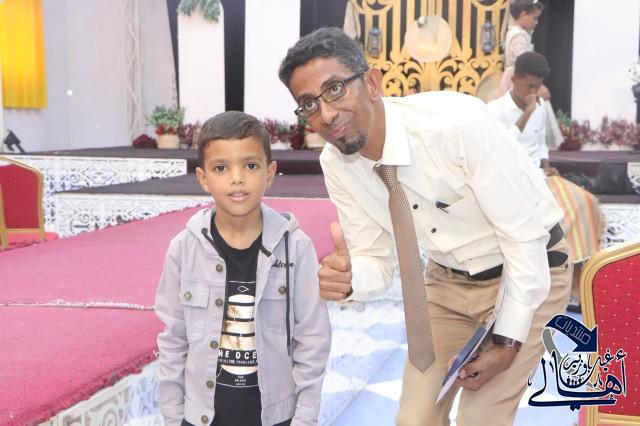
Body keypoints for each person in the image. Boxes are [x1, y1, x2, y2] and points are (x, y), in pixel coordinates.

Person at [279, 27, 571, 425]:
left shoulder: (456, 125)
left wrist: (507, 340)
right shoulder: (337, 164)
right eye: (309, 104)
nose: (326, 115)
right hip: (445, 282)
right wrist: (349, 280)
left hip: (528, 269)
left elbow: (523, 238)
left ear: (372, 83)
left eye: (334, 89)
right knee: (415, 420)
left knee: (480, 420)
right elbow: (374, 259)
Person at [155, 111, 331, 426]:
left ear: (269, 172)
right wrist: (173, 416)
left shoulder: (296, 247)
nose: (237, 178)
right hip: (201, 417)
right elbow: (173, 339)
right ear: (203, 178)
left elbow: (312, 340)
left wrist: (304, 419)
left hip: (275, 417)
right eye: (221, 168)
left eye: (250, 166)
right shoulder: (183, 249)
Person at [488, 51, 605, 310]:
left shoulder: (539, 107)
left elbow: (540, 143)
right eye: (529, 86)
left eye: (538, 86)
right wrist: (526, 114)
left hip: (539, 177)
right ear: (514, 80)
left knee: (585, 202)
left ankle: (576, 279)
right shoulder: (495, 110)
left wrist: (547, 165)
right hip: (511, 182)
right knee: (557, 214)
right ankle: (560, 283)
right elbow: (501, 149)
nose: (534, 92)